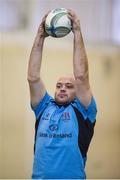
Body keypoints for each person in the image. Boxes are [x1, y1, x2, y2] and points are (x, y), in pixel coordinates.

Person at [27, 9, 97, 179]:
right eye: (59, 86)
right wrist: (40, 36)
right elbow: (33, 77)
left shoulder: (83, 111)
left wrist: (77, 33)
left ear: (77, 92)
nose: (62, 88)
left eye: (68, 86)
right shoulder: (44, 107)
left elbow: (81, 77)